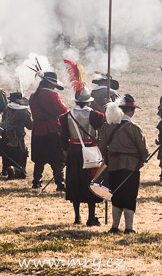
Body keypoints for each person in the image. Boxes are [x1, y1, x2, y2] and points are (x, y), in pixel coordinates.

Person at [101, 95, 149, 234]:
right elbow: (143, 150)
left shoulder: (107, 127)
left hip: (113, 165)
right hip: (131, 167)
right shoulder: (134, 128)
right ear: (130, 110)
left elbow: (102, 147)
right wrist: (142, 160)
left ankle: (115, 226)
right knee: (129, 195)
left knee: (116, 195)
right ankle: (129, 227)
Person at [59, 87, 106, 226]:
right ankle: (91, 217)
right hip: (90, 152)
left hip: (74, 152)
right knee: (90, 183)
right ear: (88, 102)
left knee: (75, 183)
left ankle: (77, 217)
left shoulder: (66, 116)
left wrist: (65, 153)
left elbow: (63, 138)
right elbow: (104, 124)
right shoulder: (96, 115)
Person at [29, 71, 68, 191]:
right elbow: (62, 110)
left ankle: (36, 181)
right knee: (57, 158)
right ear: (51, 84)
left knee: (39, 159)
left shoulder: (33, 95)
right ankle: (60, 183)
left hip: (37, 130)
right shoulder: (52, 96)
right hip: (51, 129)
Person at [0, 91, 32, 180]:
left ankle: (6, 169)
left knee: (7, 152)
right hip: (19, 136)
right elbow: (29, 126)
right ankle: (19, 170)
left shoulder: (6, 109)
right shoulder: (24, 111)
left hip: (7, 135)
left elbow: (3, 123)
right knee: (21, 154)